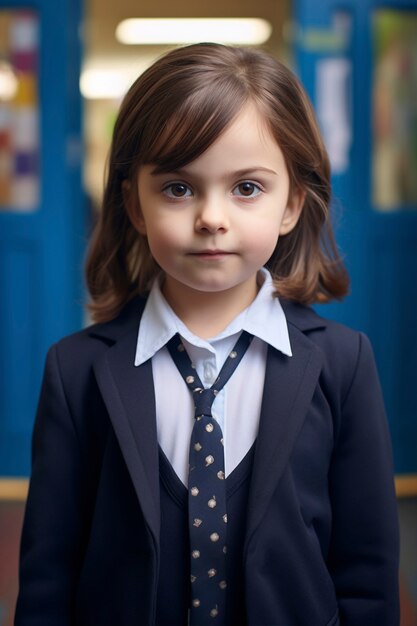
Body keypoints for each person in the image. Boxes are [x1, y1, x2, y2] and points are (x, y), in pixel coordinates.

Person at [15, 43, 399, 626]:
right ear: (135, 205)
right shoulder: (75, 371)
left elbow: (366, 572)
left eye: (247, 188)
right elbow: (49, 575)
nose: (211, 217)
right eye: (178, 187)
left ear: (292, 203)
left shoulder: (343, 363)